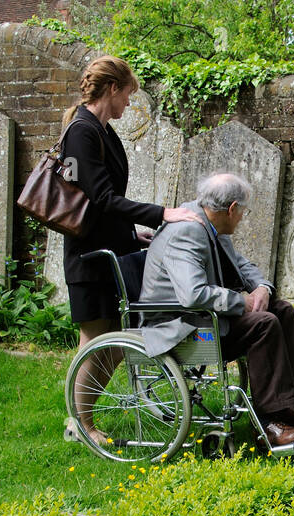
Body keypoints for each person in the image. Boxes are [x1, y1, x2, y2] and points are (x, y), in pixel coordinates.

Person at [60, 55, 199, 445]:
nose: (128, 105)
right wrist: (162, 214)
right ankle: (79, 424)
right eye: (127, 96)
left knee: (119, 340)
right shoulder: (82, 131)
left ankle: (82, 417)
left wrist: (132, 234)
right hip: (89, 256)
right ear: (112, 89)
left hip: (111, 251)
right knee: (94, 339)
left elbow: (106, 202)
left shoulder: (104, 132)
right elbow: (102, 199)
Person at [139, 171, 294, 449]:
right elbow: (192, 295)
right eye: (243, 211)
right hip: (183, 328)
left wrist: (262, 289)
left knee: (282, 311)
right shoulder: (188, 231)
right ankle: (271, 425)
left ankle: (289, 408)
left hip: (206, 317)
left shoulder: (209, 220)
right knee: (263, 324)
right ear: (231, 209)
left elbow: (241, 265)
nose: (243, 218)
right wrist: (241, 302)